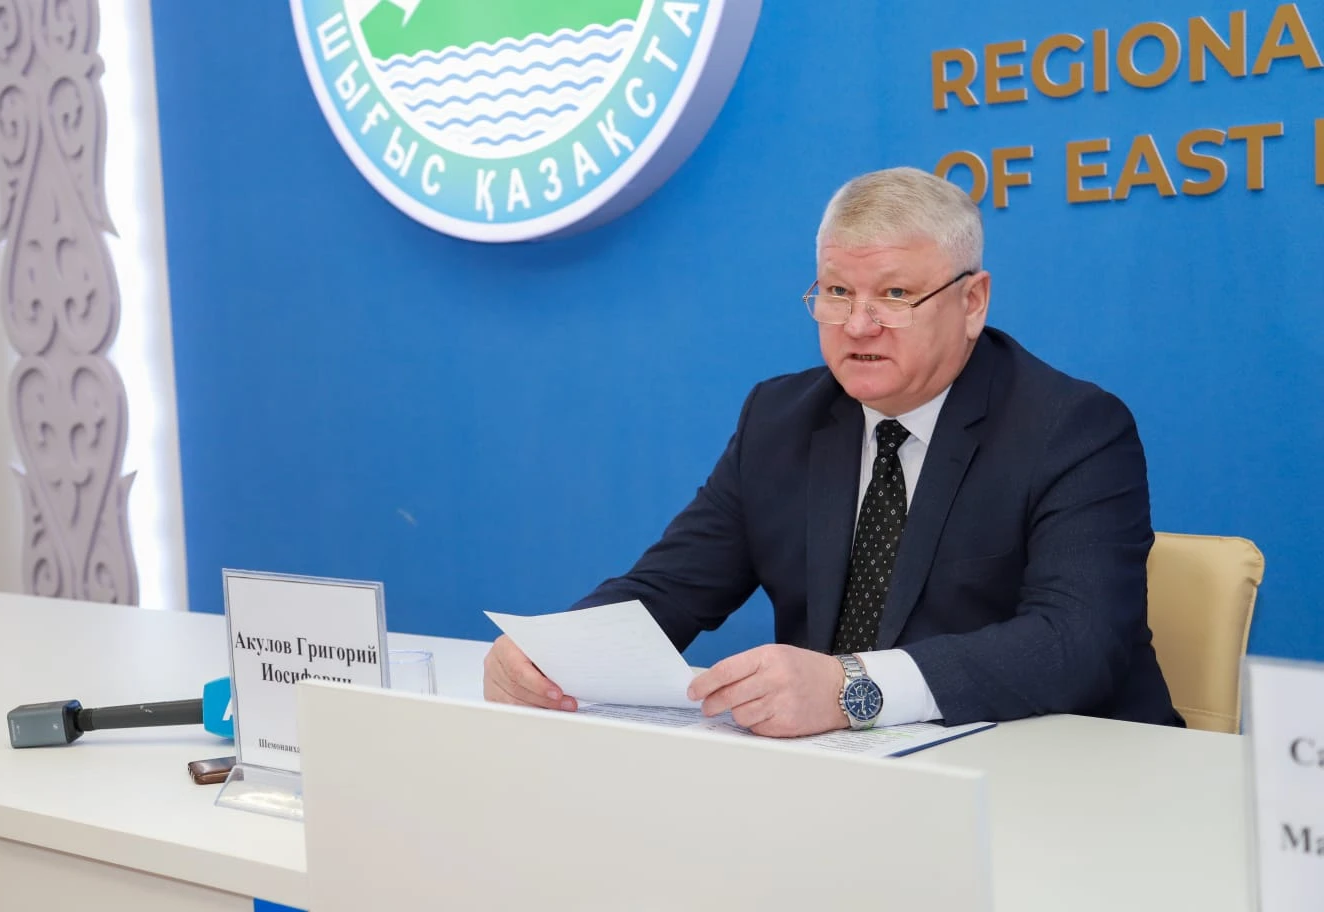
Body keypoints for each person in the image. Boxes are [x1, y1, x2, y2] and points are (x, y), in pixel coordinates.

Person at [483, 166, 1182, 736]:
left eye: (896, 294)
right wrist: (554, 651)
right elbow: (671, 587)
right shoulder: (781, 420)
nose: (858, 325)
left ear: (973, 302)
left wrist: (853, 688)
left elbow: (1074, 642)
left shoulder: (1071, 427)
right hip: (850, 782)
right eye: (838, 292)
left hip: (1061, 779)